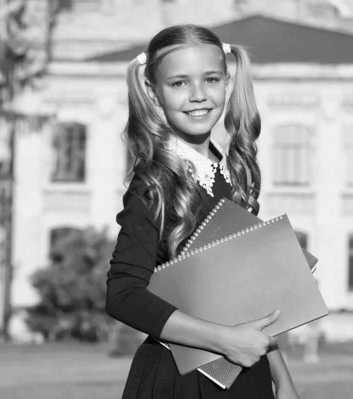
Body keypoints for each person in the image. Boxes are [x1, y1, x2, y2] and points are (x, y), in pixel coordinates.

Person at [105, 24, 301, 399]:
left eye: (210, 79)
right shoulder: (153, 186)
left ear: (227, 82)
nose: (198, 96)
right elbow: (123, 294)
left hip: (245, 373)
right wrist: (227, 340)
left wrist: (283, 379)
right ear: (153, 91)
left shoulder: (231, 175)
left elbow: (249, 299)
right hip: (182, 381)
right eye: (179, 83)